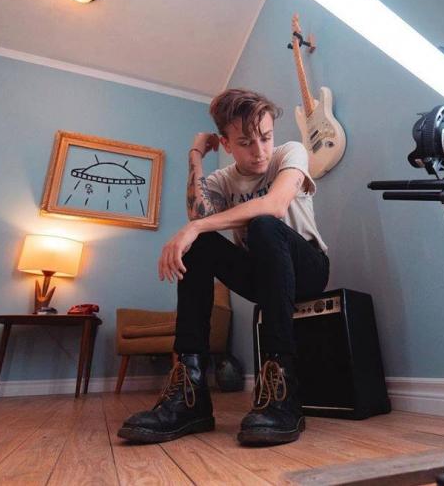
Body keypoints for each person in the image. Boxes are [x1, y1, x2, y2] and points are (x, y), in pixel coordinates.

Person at [117, 88, 329, 445]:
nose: (259, 150)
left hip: (308, 268)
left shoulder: (290, 153)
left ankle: (282, 390)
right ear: (226, 144)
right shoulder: (222, 180)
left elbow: (275, 205)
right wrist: (196, 155)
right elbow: (196, 214)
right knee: (199, 243)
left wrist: (195, 227)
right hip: (263, 276)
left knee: (262, 224)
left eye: (265, 138)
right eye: (245, 142)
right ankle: (192, 393)